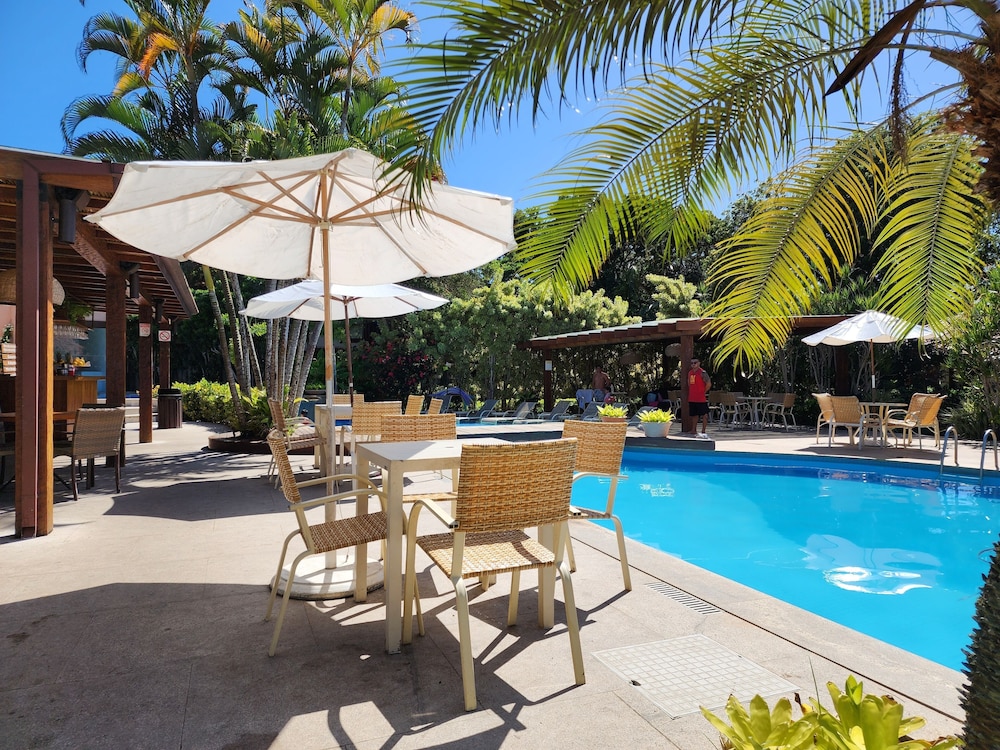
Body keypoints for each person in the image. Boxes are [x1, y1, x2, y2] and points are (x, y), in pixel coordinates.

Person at [687, 357, 712, 437]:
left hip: (701, 398)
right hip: (692, 397)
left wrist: (703, 391)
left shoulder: (702, 372)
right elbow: (689, 383)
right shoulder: (690, 373)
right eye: (692, 363)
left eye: (695, 363)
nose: (693, 364)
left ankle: (703, 431)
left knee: (704, 415)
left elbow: (708, 384)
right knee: (694, 415)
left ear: (699, 363)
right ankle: (693, 430)